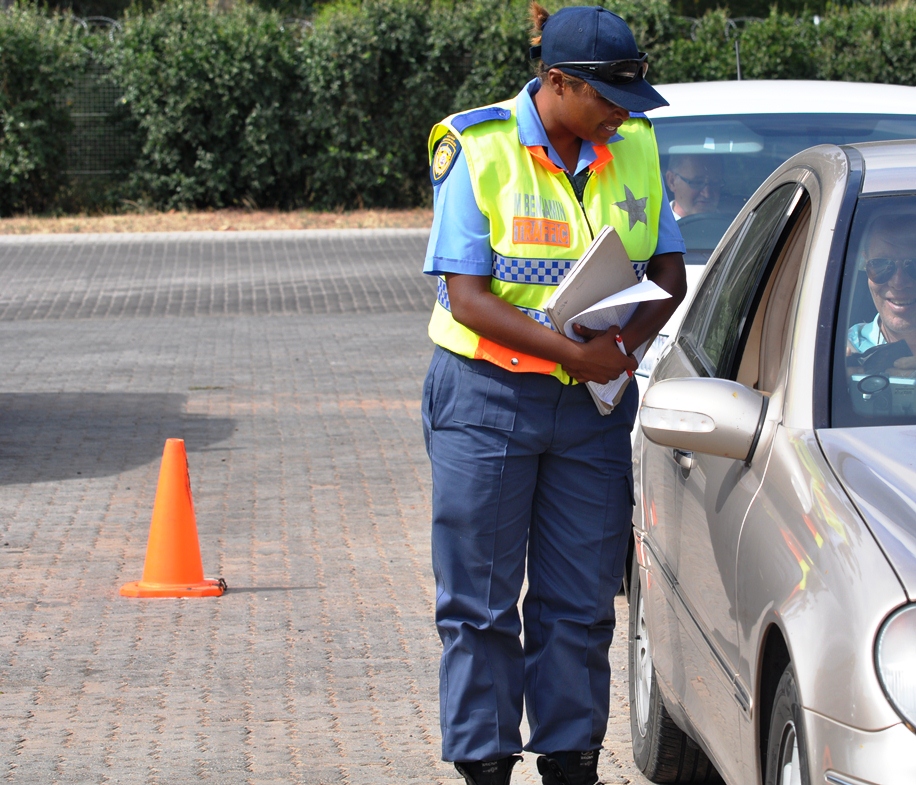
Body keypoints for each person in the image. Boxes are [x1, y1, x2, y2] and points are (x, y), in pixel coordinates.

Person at [420, 5, 686, 785]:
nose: (621, 117)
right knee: (480, 605)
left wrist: (623, 349)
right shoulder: (477, 145)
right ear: (557, 82)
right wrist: (579, 355)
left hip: (591, 412)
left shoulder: (632, 146)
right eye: (607, 99)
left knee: (578, 604)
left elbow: (666, 275)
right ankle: (485, 765)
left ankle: (571, 765)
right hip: (486, 399)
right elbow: (466, 295)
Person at [848, 214, 916, 373]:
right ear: (866, 264)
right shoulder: (842, 350)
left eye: (914, 265)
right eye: (880, 265)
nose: (898, 283)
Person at [664, 153, 724, 219]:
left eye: (715, 183)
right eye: (697, 183)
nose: (707, 194)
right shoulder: (655, 225)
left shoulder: (731, 224)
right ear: (672, 181)